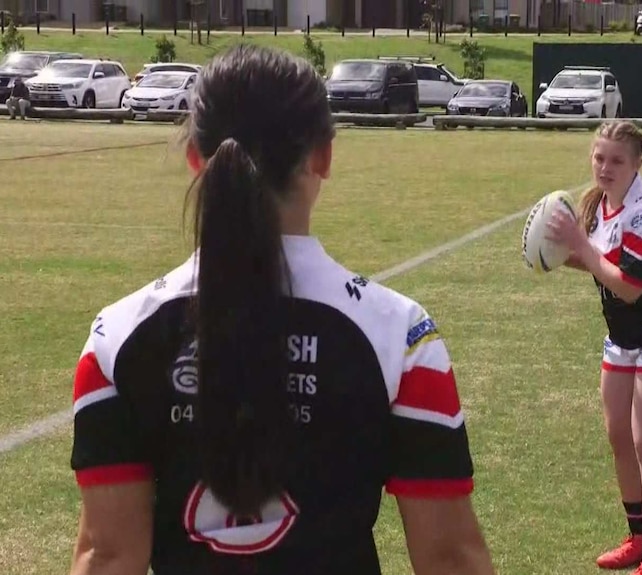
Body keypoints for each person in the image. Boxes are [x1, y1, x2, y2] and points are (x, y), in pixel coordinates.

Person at [68, 44, 496, 575]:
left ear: (195, 160)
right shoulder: (401, 336)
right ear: (323, 157)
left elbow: (109, 555)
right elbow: (448, 556)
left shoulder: (115, 339)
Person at [545, 121, 642, 575]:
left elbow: (629, 286)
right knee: (619, 439)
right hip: (624, 339)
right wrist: (554, 254)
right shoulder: (600, 205)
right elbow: (599, 261)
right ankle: (636, 537)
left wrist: (578, 246)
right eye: (599, 157)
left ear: (636, 165)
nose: (605, 167)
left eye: (616, 160)